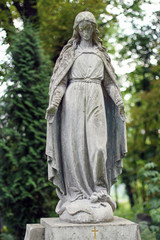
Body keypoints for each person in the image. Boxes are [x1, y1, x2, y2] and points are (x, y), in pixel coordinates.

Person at [45, 11, 127, 223]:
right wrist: (54, 104)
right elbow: (61, 81)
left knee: (98, 147)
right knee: (75, 147)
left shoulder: (101, 54)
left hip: (95, 98)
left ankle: (99, 189)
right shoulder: (70, 54)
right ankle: (75, 194)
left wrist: (118, 101)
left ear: (94, 29)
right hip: (73, 99)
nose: (85, 31)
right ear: (77, 30)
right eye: (81, 27)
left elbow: (109, 83)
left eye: (89, 27)